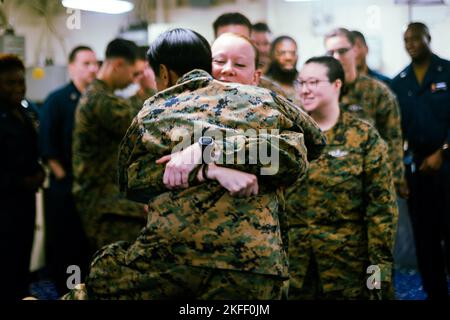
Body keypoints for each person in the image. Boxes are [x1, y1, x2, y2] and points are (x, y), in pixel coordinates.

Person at [63, 28, 325, 300]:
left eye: (240, 64)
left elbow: (300, 153)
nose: (228, 70)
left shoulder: (156, 110)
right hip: (236, 263)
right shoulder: (258, 101)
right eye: (220, 62)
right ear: (206, 64)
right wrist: (208, 170)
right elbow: (135, 178)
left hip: (203, 261)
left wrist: (206, 150)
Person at [286, 56, 398, 300]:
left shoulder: (363, 137)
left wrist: (376, 280)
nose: (305, 89)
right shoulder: (287, 136)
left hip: (349, 272)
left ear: (337, 85)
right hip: (295, 272)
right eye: (301, 82)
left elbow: (382, 213)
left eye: (314, 82)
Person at [72, 39, 154, 256]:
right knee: (114, 265)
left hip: (109, 200)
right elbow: (139, 121)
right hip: (104, 204)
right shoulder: (100, 99)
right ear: (118, 64)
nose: (133, 80)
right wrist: (147, 88)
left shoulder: (101, 95)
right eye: (134, 73)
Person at [391, 22, 450, 300]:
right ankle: (434, 292)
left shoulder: (447, 71)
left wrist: (444, 152)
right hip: (418, 169)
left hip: (447, 164)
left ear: (428, 37)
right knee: (425, 240)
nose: (411, 43)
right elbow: (395, 130)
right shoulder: (399, 81)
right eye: (406, 40)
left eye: (416, 38)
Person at [39, 45, 98, 294]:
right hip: (65, 190)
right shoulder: (58, 100)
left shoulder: (97, 100)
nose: (93, 69)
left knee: (89, 247)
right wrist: (65, 179)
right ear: (71, 66)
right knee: (67, 247)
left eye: (95, 63)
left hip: (92, 189)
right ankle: (67, 293)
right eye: (86, 63)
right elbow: (47, 146)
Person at [324, 28, 405, 196]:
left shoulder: (378, 93)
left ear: (355, 51)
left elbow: (393, 141)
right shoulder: (322, 93)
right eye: (330, 52)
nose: (336, 57)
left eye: (342, 51)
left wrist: (393, 184)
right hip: (331, 190)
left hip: (370, 187)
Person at [0, 54, 45, 300]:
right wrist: (20, 181)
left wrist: (39, 172)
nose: (18, 88)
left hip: (24, 202)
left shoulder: (25, 112)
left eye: (21, 82)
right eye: (10, 83)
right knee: (5, 265)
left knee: (21, 261)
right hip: (4, 205)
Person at [262, 35, 301, 106]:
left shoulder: (304, 84)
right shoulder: (262, 84)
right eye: (282, 53)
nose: (288, 57)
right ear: (271, 55)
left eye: (292, 53)